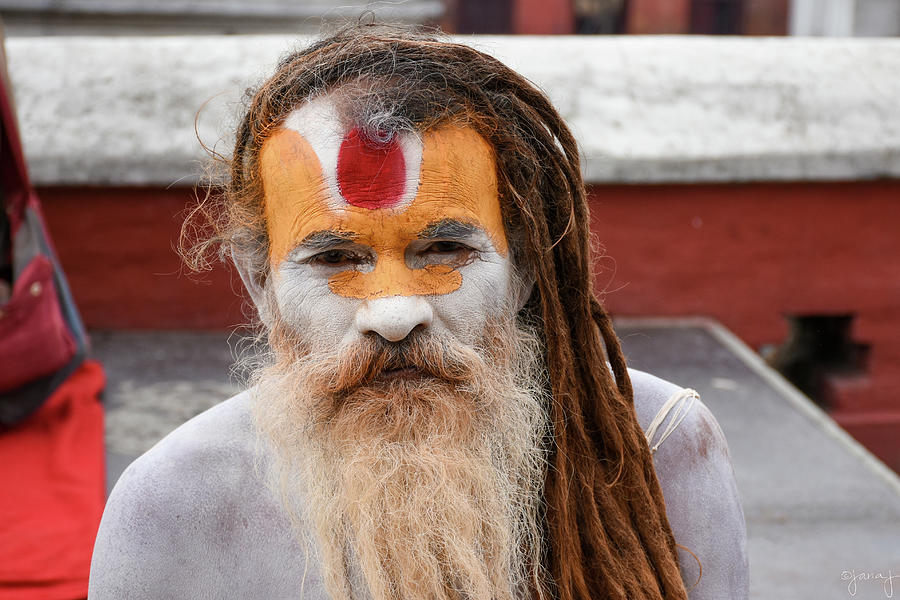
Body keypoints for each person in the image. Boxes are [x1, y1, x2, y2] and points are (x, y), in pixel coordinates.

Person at [88, 25, 748, 600]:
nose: (396, 315)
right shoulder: (172, 507)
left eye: (445, 248)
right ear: (259, 283)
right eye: (335, 259)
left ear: (521, 270)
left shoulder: (662, 449)